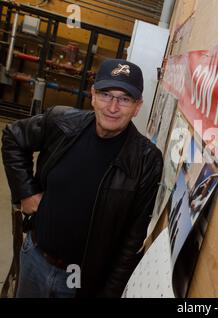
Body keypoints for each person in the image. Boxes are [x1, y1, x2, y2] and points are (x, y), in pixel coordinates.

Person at [1, 59, 163, 298]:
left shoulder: (146, 160)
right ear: (93, 95)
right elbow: (13, 137)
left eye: (124, 99)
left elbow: (132, 240)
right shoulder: (61, 122)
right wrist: (27, 192)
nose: (113, 107)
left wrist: (109, 293)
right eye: (106, 94)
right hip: (35, 258)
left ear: (137, 107)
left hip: (82, 280)